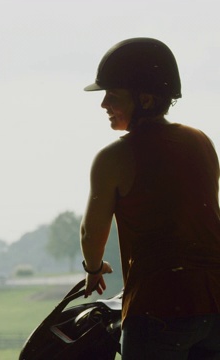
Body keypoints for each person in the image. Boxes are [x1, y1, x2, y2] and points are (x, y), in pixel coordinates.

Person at [80, 37, 220, 359]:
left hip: (159, 309)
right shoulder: (202, 142)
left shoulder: (113, 158)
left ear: (144, 99)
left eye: (112, 95)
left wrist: (94, 268)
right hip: (216, 307)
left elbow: (91, 233)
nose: (104, 105)